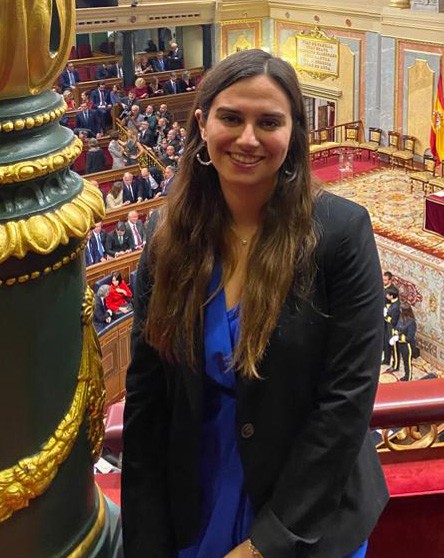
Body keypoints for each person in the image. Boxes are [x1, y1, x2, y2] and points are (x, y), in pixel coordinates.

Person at [122, 48, 388, 558]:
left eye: (268, 122)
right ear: (202, 124)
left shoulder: (342, 233)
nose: (248, 138)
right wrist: (146, 540)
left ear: (293, 134)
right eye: (231, 118)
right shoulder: (165, 235)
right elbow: (147, 397)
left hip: (307, 512)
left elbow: (346, 402)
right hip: (194, 498)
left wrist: (265, 545)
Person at [390, 304, 418, 381]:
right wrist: (395, 334)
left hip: (408, 346)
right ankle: (406, 375)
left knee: (407, 362)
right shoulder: (401, 318)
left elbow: (409, 338)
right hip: (401, 344)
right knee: (404, 360)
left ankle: (408, 377)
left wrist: (398, 337)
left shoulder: (412, 323)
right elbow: (397, 327)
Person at [382, 285, 400, 367]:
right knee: (386, 343)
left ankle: (395, 365)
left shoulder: (395, 307)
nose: (386, 296)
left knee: (393, 347)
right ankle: (386, 360)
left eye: (387, 295)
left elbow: (393, 321)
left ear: (391, 296)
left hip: (392, 328)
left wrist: (385, 316)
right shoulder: (393, 303)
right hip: (388, 326)